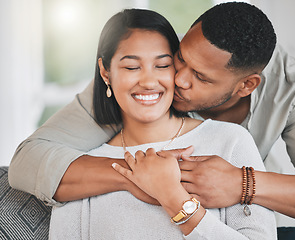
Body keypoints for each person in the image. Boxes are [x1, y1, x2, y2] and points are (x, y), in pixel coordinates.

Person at [9, 1, 295, 225]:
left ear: (246, 86)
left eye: (200, 77)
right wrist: (143, 173)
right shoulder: (148, 76)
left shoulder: (293, 89)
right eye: (181, 59)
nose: (178, 79)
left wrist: (243, 184)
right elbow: (29, 159)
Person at [48, 8, 276, 239]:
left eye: (162, 65)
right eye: (131, 67)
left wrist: (172, 196)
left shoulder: (230, 141)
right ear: (106, 73)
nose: (148, 82)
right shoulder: (82, 168)